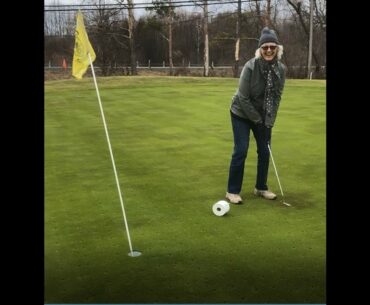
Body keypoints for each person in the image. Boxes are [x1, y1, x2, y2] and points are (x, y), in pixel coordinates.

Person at [225, 27, 286, 204]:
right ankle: (232, 191)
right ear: (260, 49)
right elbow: (243, 97)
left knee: (265, 151)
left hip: (262, 116)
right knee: (241, 150)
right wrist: (258, 120)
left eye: (272, 47)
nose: (269, 50)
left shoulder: (281, 69)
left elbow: (276, 97)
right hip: (241, 113)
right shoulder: (250, 67)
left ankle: (261, 187)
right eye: (265, 47)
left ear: (277, 49)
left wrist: (269, 122)